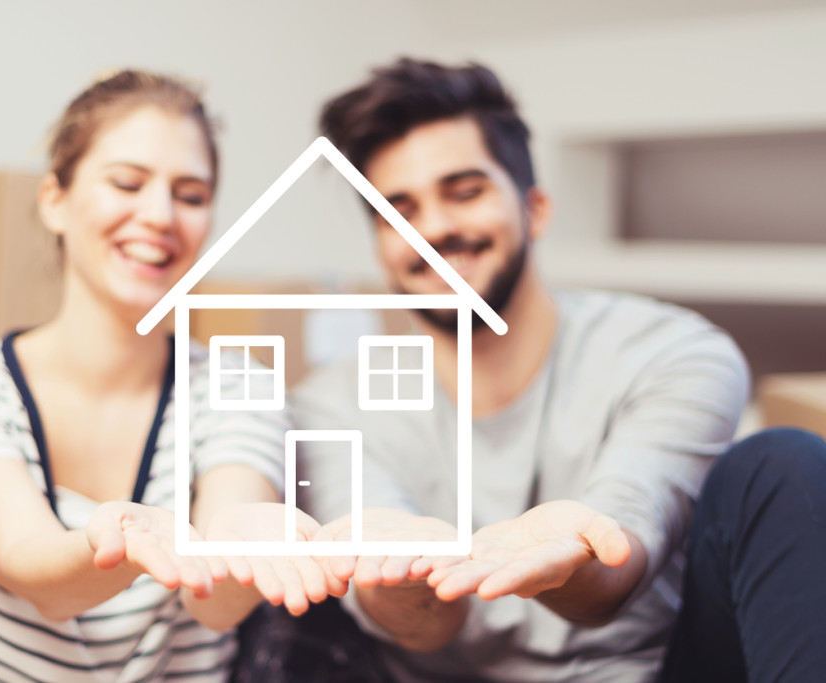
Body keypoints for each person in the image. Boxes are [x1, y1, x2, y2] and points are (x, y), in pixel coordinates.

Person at [292, 57, 768, 681]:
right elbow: (424, 627)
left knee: (781, 463)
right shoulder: (326, 408)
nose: (432, 227)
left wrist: (574, 558)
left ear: (535, 209)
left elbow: (614, 574)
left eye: (464, 192)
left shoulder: (671, 354)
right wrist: (401, 566)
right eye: (397, 210)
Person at [0, 69, 342, 682]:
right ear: (55, 199)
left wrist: (245, 549)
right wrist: (119, 542)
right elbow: (32, 571)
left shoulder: (238, 389)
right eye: (127, 183)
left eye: (190, 195)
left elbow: (212, 602)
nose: (160, 215)